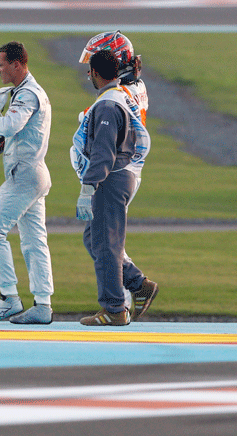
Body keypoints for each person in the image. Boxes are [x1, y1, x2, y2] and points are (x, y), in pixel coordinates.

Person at [71, 49, 158, 326]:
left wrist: (88, 187)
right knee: (94, 238)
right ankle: (137, 283)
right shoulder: (122, 96)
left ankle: (114, 309)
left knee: (106, 245)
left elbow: (103, 152)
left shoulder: (108, 105)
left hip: (111, 179)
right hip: (122, 175)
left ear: (95, 73)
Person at [0, 41, 53, 324]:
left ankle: (9, 298)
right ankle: (43, 305)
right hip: (34, 174)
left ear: (16, 65)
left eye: (1, 64)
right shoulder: (24, 91)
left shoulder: (28, 94)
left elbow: (10, 126)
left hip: (25, 176)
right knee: (34, 241)